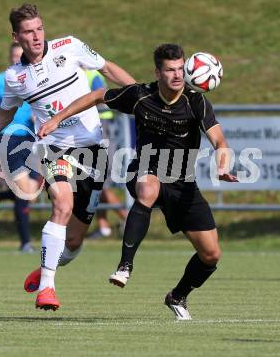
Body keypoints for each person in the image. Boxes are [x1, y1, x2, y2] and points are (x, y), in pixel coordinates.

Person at [0, 3, 135, 310]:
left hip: (94, 149)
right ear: (16, 36)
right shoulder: (15, 77)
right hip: (53, 148)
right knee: (62, 202)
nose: (36, 37)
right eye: (28, 32)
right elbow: (3, 114)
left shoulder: (70, 46)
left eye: (39, 29)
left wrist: (141, 94)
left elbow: (107, 68)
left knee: (73, 243)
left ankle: (47, 267)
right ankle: (46, 289)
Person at [37, 43, 238, 320]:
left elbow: (219, 140)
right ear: (158, 72)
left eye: (180, 69)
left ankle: (177, 296)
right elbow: (97, 96)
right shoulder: (141, 95)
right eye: (169, 70)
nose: (177, 75)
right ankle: (125, 265)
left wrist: (223, 162)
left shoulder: (196, 101)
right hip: (144, 169)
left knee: (211, 255)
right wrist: (57, 118)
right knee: (148, 188)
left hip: (182, 181)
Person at [0, 42, 41, 253]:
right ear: (10, 57)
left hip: (34, 140)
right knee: (24, 191)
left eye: (21, 56)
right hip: (9, 139)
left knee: (30, 194)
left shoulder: (36, 79)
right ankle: (25, 242)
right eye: (14, 56)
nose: (18, 59)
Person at [84, 69, 127, 239]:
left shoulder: (92, 75)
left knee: (101, 184)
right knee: (96, 182)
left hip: (100, 129)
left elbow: (102, 100)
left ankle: (128, 219)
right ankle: (103, 226)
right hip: (91, 131)